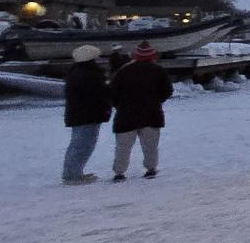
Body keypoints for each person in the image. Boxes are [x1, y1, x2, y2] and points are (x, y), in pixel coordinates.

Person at [109, 40, 174, 180]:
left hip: (126, 115)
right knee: (150, 146)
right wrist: (157, 100)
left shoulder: (124, 71)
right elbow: (168, 91)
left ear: (135, 56)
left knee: (123, 147)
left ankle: (119, 172)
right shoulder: (158, 71)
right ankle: (151, 168)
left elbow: (112, 92)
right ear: (152, 56)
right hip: (151, 114)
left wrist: (119, 105)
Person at [62, 45, 111, 185]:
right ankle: (72, 175)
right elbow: (98, 94)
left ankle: (74, 172)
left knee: (79, 145)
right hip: (87, 115)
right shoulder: (87, 75)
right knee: (82, 145)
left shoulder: (76, 72)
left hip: (81, 115)